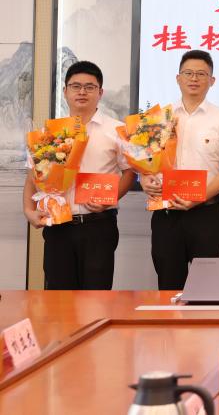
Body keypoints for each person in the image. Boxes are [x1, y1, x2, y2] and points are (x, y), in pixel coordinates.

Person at [22, 61, 135, 290]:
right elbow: (33, 176)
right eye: (75, 86)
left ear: (100, 92)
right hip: (58, 226)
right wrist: (28, 211)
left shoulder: (116, 130)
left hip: (98, 226)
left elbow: (129, 172)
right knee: (58, 299)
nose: (82, 92)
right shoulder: (48, 133)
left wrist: (110, 199)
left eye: (89, 87)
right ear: (65, 92)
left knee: (96, 299)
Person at [140, 50, 219, 291]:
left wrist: (199, 197)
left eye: (201, 74)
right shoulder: (159, 117)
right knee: (168, 287)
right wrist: (144, 179)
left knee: (205, 290)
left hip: (206, 214)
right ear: (178, 78)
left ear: (212, 80)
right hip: (166, 214)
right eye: (188, 73)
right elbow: (145, 162)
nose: (194, 78)